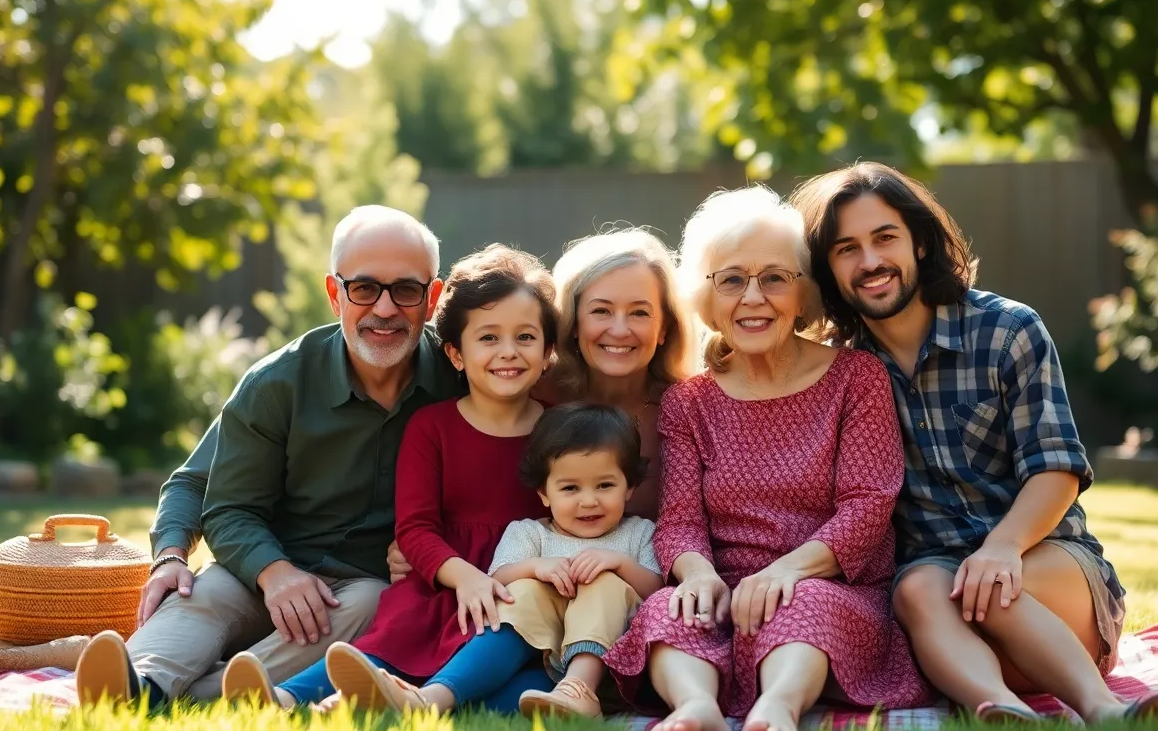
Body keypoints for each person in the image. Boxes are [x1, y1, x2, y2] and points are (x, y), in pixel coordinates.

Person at [792, 161, 1158, 724]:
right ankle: (1000, 710)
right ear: (827, 267)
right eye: (847, 248)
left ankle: (1104, 709)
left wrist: (1000, 548)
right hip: (946, 625)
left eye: (884, 238)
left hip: (1054, 582)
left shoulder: (1007, 330)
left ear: (919, 242)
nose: (870, 262)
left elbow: (1057, 469)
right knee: (918, 587)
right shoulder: (842, 372)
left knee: (985, 580)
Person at [73, 206, 462, 706]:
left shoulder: (460, 384)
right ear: (334, 294)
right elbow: (224, 502)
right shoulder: (277, 383)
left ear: (432, 298)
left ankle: (209, 693)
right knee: (205, 595)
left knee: (368, 602)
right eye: (363, 288)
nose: (384, 309)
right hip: (261, 567)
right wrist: (270, 572)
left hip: (365, 589)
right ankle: (137, 681)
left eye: (405, 290)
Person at [602, 186, 932, 731]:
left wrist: (785, 573)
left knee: (805, 609)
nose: (752, 297)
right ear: (707, 296)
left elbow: (868, 505)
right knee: (669, 609)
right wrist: (699, 575)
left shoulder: (856, 378)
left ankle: (776, 711)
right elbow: (680, 522)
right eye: (732, 279)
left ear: (803, 293)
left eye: (774, 278)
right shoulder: (690, 401)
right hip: (726, 586)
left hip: (829, 586)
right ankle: (696, 710)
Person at [218, 244, 559, 713]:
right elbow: (415, 529)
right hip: (443, 580)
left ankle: (400, 702)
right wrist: (463, 578)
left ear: (547, 353)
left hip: (519, 587)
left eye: (525, 338)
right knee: (394, 637)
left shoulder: (560, 430)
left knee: (516, 648)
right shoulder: (432, 426)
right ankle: (284, 698)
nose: (508, 353)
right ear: (455, 354)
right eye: (488, 338)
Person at [385, 228, 700, 581]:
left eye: (640, 313)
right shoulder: (533, 395)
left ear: (665, 328)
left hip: (637, 591)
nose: (620, 329)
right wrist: (431, 556)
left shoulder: (688, 410)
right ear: (574, 322)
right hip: (528, 585)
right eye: (601, 310)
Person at [491, 402, 664, 718]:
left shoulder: (639, 533)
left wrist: (619, 564)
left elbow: (658, 591)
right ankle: (437, 693)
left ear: (630, 487)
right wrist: (534, 567)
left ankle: (580, 688)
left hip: (613, 674)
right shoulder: (530, 534)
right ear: (544, 492)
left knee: (603, 583)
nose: (589, 500)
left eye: (605, 485)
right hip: (540, 666)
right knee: (522, 591)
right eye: (570, 487)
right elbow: (496, 582)